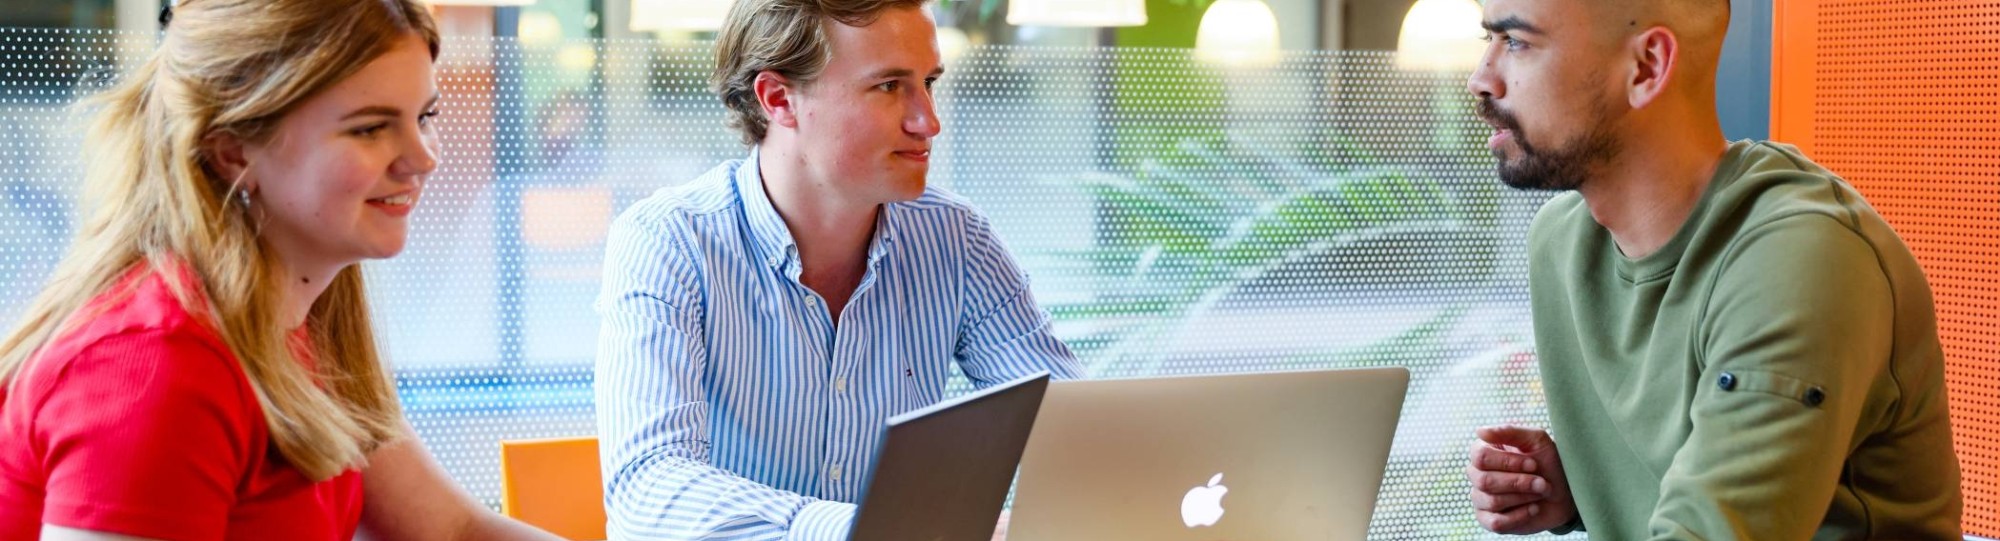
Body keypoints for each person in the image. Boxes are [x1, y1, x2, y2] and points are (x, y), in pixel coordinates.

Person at [0, 1, 563, 540]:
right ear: (234, 153)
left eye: (424, 117)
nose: (422, 157)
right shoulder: (155, 366)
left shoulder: (304, 317)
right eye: (370, 128)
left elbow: (450, 530)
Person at [1461, 0, 1962, 538]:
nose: (1481, 79)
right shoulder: (1561, 242)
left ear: (1647, 67)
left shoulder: (1802, 257)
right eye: (1486, 41)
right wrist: (1579, 490)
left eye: (1516, 42)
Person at [592, 0, 1082, 538]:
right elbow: (648, 489)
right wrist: (873, 529)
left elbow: (1073, 433)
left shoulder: (957, 238)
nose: (928, 121)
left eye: (929, 82)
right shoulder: (668, 240)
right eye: (890, 86)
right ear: (779, 99)